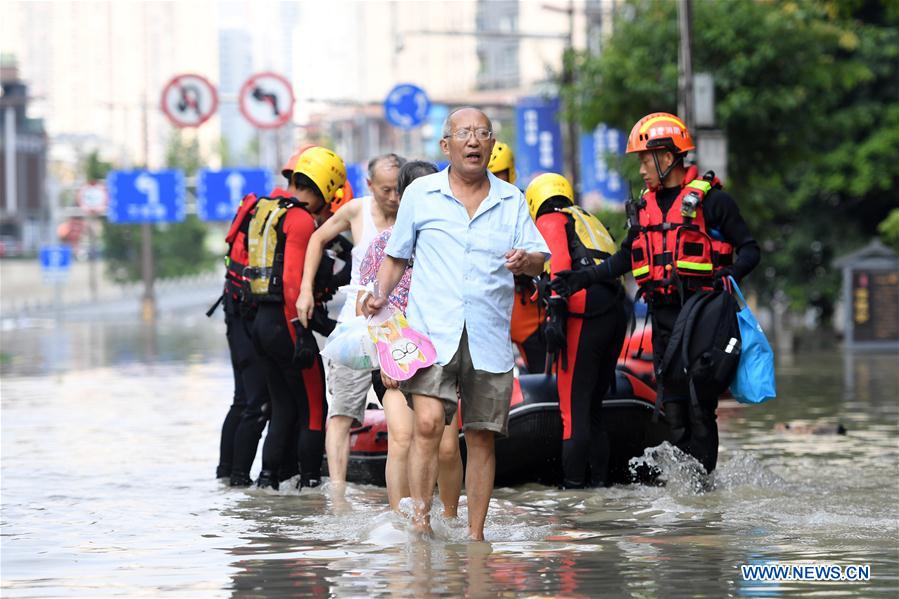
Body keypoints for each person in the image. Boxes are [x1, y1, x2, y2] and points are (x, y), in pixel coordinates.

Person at [363, 107, 549, 540]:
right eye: (464, 133)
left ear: (491, 144)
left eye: (482, 133)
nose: (474, 141)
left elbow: (539, 258)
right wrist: (379, 294)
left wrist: (527, 261)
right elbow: (396, 255)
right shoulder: (421, 194)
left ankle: (476, 535)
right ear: (446, 145)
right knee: (427, 425)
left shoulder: (512, 199)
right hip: (433, 334)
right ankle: (422, 523)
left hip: (488, 336)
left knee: (481, 435)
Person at [550, 112, 760, 473]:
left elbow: (751, 250)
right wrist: (579, 280)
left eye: (646, 160)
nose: (642, 169)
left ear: (667, 158)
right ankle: (684, 489)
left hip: (702, 317)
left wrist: (728, 276)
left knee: (699, 407)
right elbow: (623, 260)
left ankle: (703, 490)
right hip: (663, 318)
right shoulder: (643, 209)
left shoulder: (714, 203)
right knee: (674, 408)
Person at [357, 160, 463, 514]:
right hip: (393, 358)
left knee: (447, 447)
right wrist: (388, 355)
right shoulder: (382, 245)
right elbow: (367, 303)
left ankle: (449, 518)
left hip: (444, 352)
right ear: (403, 198)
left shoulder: (453, 242)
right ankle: (401, 520)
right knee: (401, 439)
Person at [296, 154, 406, 494]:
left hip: (399, 328)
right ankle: (339, 495)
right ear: (370, 186)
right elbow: (317, 239)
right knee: (342, 413)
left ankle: (407, 498)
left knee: (406, 419)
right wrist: (305, 290)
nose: (392, 197)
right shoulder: (357, 211)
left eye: (397, 189)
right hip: (355, 332)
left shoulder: (411, 214)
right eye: (385, 189)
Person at [245, 146, 347, 490]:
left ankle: (269, 480)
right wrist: (303, 333)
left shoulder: (266, 210)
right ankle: (310, 483)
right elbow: (292, 283)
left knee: (283, 406)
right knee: (315, 407)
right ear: (324, 187)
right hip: (287, 323)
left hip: (261, 321)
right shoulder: (300, 219)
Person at [525, 173, 628, 488]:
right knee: (593, 408)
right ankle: (599, 485)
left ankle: (573, 493)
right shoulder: (586, 219)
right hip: (615, 313)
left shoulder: (550, 219)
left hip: (584, 314)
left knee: (573, 412)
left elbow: (559, 264)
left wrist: (555, 314)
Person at [488, 142, 547, 373]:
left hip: (526, 306)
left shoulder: (525, 206)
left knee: (540, 370)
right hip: (491, 304)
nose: (494, 182)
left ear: (510, 173)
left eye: (499, 175)